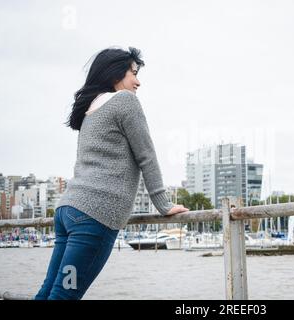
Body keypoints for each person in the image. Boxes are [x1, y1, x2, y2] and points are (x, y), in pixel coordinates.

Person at [34, 47, 189, 300]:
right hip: (95, 214)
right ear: (115, 72)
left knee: (50, 290)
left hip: (67, 211)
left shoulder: (91, 109)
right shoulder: (125, 101)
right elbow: (146, 155)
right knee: (64, 295)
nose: (138, 81)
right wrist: (164, 204)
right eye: (133, 73)